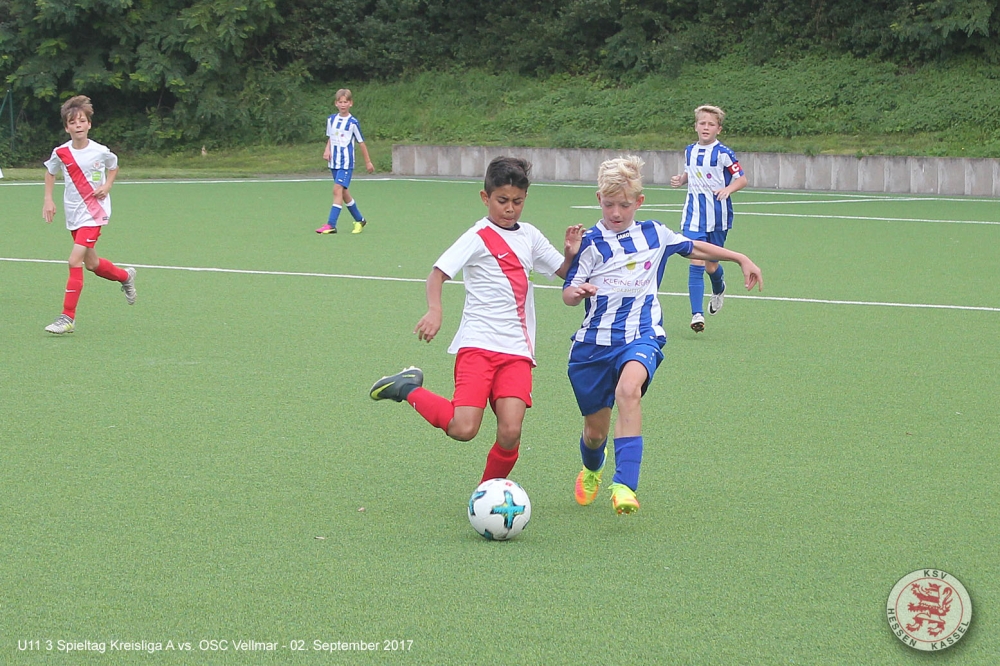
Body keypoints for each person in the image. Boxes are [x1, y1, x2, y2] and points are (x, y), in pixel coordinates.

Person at [564, 156, 762, 514]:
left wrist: (739, 257)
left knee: (629, 391)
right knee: (594, 433)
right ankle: (592, 469)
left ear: (639, 202)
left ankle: (624, 485)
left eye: (625, 205)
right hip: (593, 346)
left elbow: (695, 247)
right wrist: (577, 292)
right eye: (609, 204)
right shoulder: (589, 243)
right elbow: (568, 292)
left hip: (642, 335)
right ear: (598, 199)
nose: (616, 212)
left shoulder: (655, 234)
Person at [370, 157, 584, 485]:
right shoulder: (478, 235)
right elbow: (437, 274)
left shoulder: (530, 235)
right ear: (486, 198)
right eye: (502, 200)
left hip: (517, 351)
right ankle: (406, 387)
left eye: (517, 201)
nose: (510, 209)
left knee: (510, 432)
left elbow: (566, 273)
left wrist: (571, 253)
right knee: (463, 428)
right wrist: (435, 310)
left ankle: (485, 495)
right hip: (478, 345)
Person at [42, 95, 135, 335]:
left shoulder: (99, 151)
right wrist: (48, 199)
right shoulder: (61, 152)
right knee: (92, 264)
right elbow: (50, 172)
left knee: (74, 260)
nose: (78, 125)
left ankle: (67, 317)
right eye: (73, 122)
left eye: (82, 121)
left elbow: (113, 166)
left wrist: (107, 185)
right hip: (74, 213)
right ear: (67, 127)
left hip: (95, 213)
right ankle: (125, 276)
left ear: (89, 124)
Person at [670, 105, 749, 332]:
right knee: (695, 260)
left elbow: (742, 179)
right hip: (693, 215)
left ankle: (718, 287)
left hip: (718, 217)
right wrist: (681, 179)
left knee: (711, 265)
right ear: (696, 126)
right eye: (702, 123)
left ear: (718, 129)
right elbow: (690, 171)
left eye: (711, 124)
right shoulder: (689, 151)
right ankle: (697, 314)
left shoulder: (724, 153)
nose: (706, 127)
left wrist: (728, 189)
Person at [315, 88, 375, 235]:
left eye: (345, 102)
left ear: (350, 103)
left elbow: (361, 143)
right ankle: (360, 220)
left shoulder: (353, 122)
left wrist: (368, 162)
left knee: (337, 190)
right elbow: (331, 137)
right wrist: (327, 150)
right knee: (344, 192)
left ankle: (331, 224)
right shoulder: (331, 120)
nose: (343, 105)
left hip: (346, 163)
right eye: (340, 102)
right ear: (336, 103)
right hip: (334, 162)